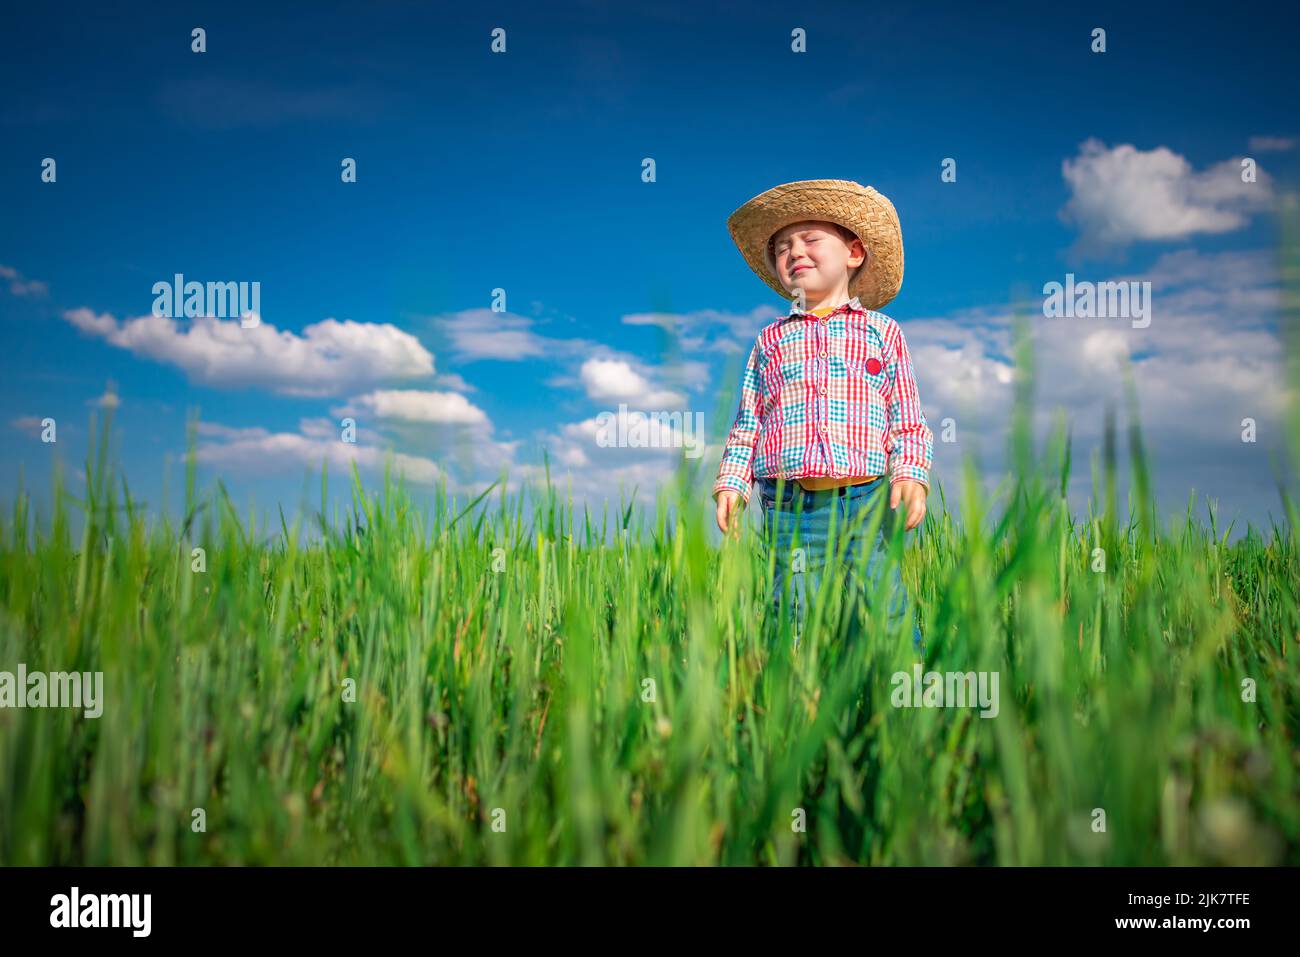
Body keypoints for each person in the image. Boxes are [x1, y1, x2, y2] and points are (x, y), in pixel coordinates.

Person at [711, 179, 932, 652]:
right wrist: (731, 483)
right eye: (782, 248)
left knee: (883, 609)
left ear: (854, 253)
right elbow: (748, 421)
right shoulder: (770, 339)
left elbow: (906, 416)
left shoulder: (882, 333)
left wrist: (911, 474)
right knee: (790, 613)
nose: (795, 252)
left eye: (810, 239)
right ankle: (791, 709)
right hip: (789, 506)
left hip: (868, 502)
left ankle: (910, 706)